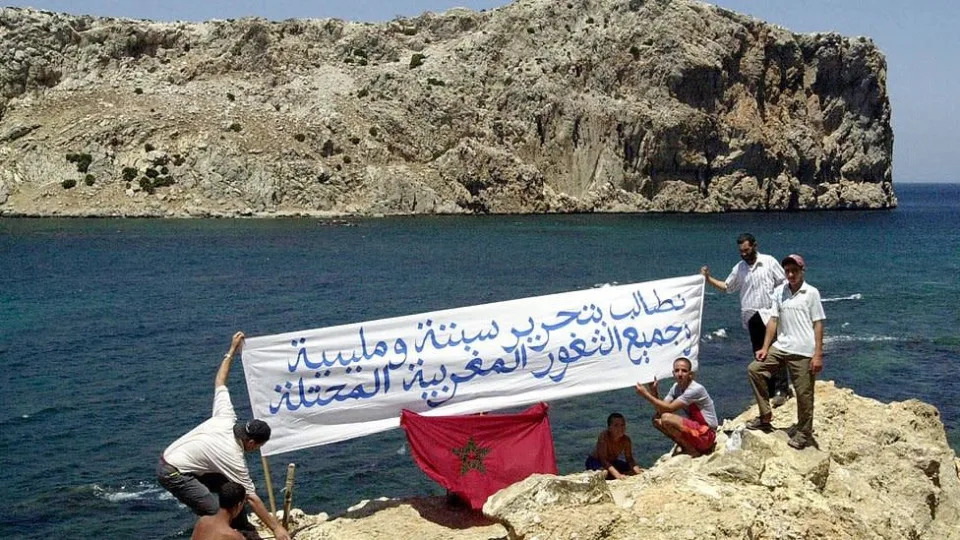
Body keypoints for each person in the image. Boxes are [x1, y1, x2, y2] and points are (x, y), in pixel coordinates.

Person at [157, 331, 290, 540]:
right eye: (257, 447)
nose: (255, 450)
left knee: (233, 494)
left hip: (184, 461)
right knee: (217, 511)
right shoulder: (232, 455)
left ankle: (247, 534)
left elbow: (220, 382)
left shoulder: (226, 416)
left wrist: (231, 351)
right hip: (173, 473)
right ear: (252, 442)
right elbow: (252, 498)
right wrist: (276, 528)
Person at [701, 233, 791, 407]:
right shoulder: (739, 268)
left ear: (754, 246)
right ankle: (768, 390)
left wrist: (782, 304)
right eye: (741, 251)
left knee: (775, 351)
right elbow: (728, 287)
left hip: (770, 313)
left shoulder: (769, 262)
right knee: (759, 354)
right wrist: (708, 279)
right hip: (751, 316)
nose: (744, 254)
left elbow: (783, 282)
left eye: (747, 250)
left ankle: (782, 390)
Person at [746, 254, 826, 450]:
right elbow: (773, 320)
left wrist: (817, 354)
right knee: (754, 369)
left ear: (802, 271)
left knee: (804, 394)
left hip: (803, 352)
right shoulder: (779, 292)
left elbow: (818, 324)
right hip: (781, 346)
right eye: (787, 271)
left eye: (794, 271)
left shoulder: (811, 293)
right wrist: (765, 348)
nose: (790, 274)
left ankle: (803, 433)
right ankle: (765, 415)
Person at [634, 357, 718, 458]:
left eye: (684, 371)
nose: (680, 374)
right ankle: (687, 446)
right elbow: (660, 410)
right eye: (677, 370)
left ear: (690, 374)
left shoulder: (695, 389)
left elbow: (669, 408)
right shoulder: (675, 388)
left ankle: (691, 450)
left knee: (666, 418)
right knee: (657, 420)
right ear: (673, 373)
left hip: (706, 435)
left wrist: (646, 395)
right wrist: (654, 391)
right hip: (696, 431)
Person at [584, 413, 644, 479]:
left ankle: (613, 474)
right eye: (616, 425)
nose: (620, 428)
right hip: (596, 461)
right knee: (604, 473)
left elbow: (629, 458)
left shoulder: (626, 440)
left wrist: (637, 472)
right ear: (609, 428)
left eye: (622, 425)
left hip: (612, 461)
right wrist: (618, 475)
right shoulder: (604, 437)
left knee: (632, 470)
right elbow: (603, 460)